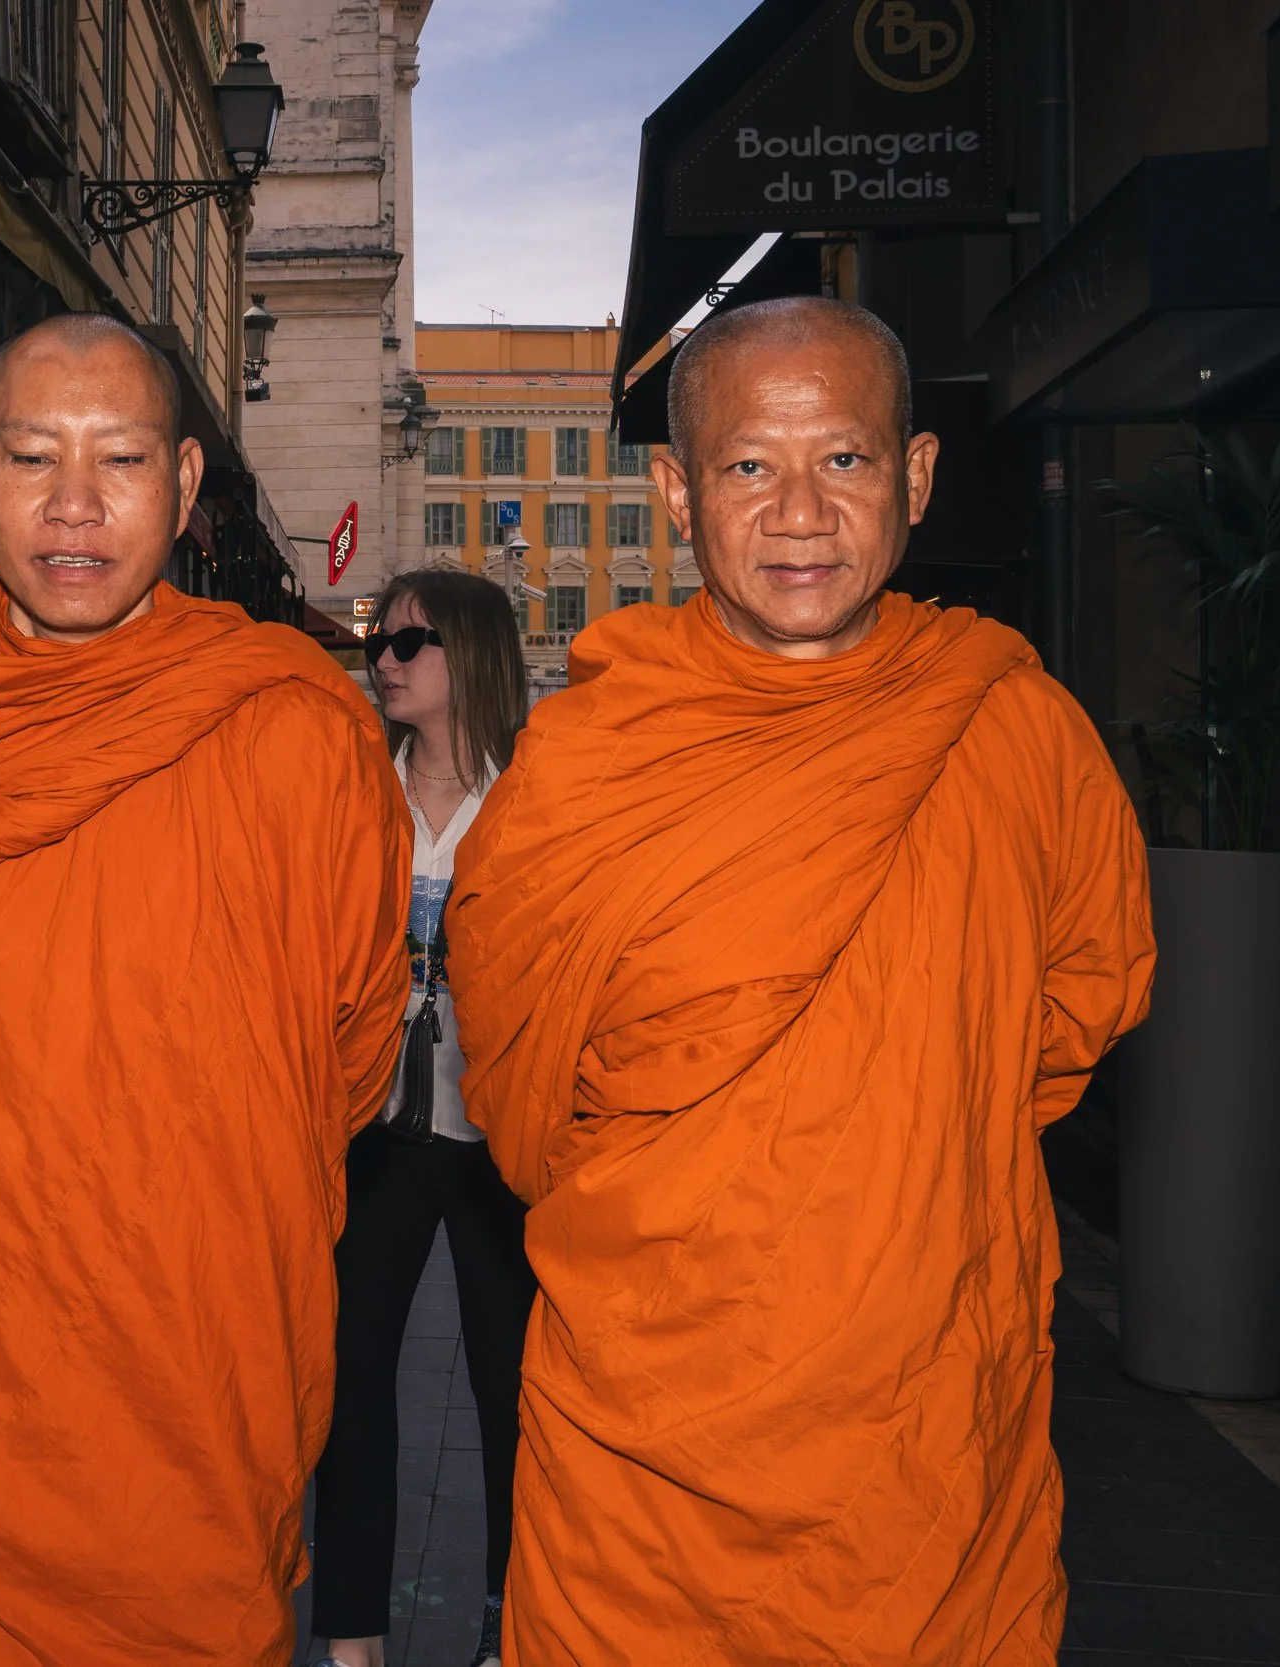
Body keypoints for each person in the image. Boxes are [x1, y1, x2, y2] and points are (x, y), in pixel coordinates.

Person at [449, 296, 1156, 1664]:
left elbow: (1081, 1003)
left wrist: (903, 1150)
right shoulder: (589, 763)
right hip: (643, 1440)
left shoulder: (1012, 727)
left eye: (844, 459)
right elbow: (522, 1080)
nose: (800, 514)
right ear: (672, 487)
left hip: (926, 1440)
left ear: (919, 477)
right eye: (748, 466)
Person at [0, 312, 411, 1666]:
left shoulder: (289, 719)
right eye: (34, 457)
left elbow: (350, 1058)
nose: (73, 505)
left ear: (182, 485)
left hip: (192, 1357)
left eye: (117, 460)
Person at [312, 571, 536, 1667]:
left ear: (474, 652)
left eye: (411, 638)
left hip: (506, 1135)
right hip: (377, 1126)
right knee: (348, 1384)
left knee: (517, 1395)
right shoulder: (354, 793)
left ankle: (511, 1627)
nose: (385, 656)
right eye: (377, 640)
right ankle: (351, 1638)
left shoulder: (536, 796)